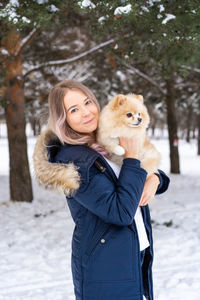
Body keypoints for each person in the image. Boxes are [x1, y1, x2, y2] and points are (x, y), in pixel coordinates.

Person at [33, 80, 170, 300]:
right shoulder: (75, 161)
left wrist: (155, 178)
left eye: (88, 102)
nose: (86, 112)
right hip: (105, 267)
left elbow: (137, 176)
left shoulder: (102, 141)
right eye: (74, 109)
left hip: (132, 253)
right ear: (63, 119)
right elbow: (121, 212)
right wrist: (132, 157)